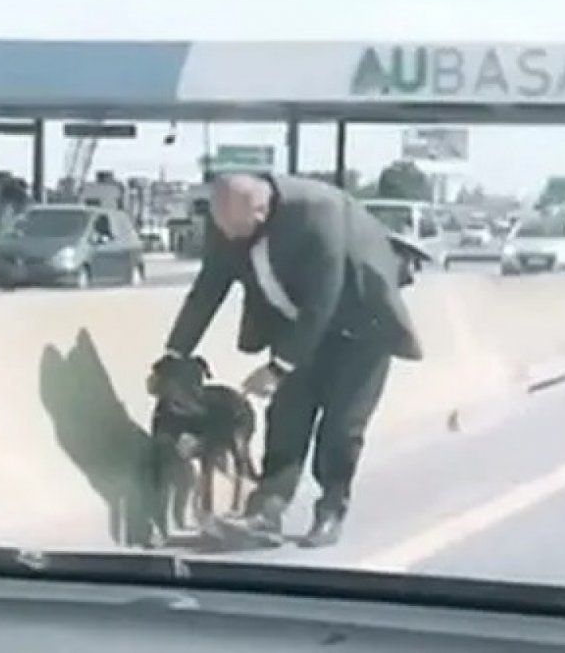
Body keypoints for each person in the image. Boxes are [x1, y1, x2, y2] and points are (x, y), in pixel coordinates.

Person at [153, 173, 422, 549]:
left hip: (361, 327)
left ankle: (330, 510)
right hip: (295, 327)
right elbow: (208, 289)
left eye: (237, 230)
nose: (229, 238)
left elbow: (322, 301)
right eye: (222, 228)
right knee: (286, 419)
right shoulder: (228, 221)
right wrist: (174, 354)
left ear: (261, 211)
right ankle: (266, 510)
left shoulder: (317, 215)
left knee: (342, 429)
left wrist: (278, 367)